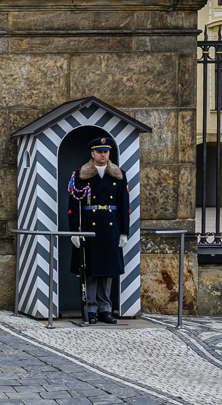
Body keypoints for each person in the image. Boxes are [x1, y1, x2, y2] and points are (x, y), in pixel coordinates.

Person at [67, 136, 131, 324]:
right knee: (90, 270)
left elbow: (124, 205)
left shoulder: (119, 174)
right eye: (99, 152)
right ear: (92, 153)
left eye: (106, 151)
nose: (103, 155)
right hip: (89, 226)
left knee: (108, 271)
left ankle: (105, 309)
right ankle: (91, 309)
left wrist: (124, 232)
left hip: (111, 226)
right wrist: (74, 231)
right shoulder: (80, 174)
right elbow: (72, 206)